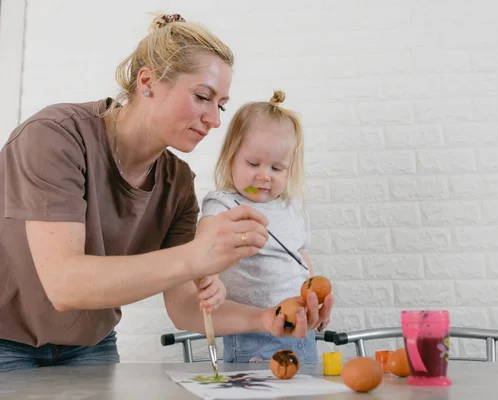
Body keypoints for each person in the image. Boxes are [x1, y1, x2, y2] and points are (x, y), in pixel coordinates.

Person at [0, 13, 332, 373]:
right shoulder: (53, 138)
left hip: (89, 346)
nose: (215, 120)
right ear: (148, 82)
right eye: (202, 97)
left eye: (220, 105)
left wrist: (265, 319)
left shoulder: (177, 184)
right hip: (6, 342)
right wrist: (197, 256)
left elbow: (184, 308)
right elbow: (64, 286)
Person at [199, 90, 332, 364]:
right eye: (253, 163)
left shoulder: (292, 208)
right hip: (252, 333)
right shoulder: (223, 203)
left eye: (277, 168)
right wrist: (207, 274)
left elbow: (300, 260)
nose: (263, 176)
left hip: (301, 333)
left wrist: (314, 302)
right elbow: (203, 244)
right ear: (231, 156)